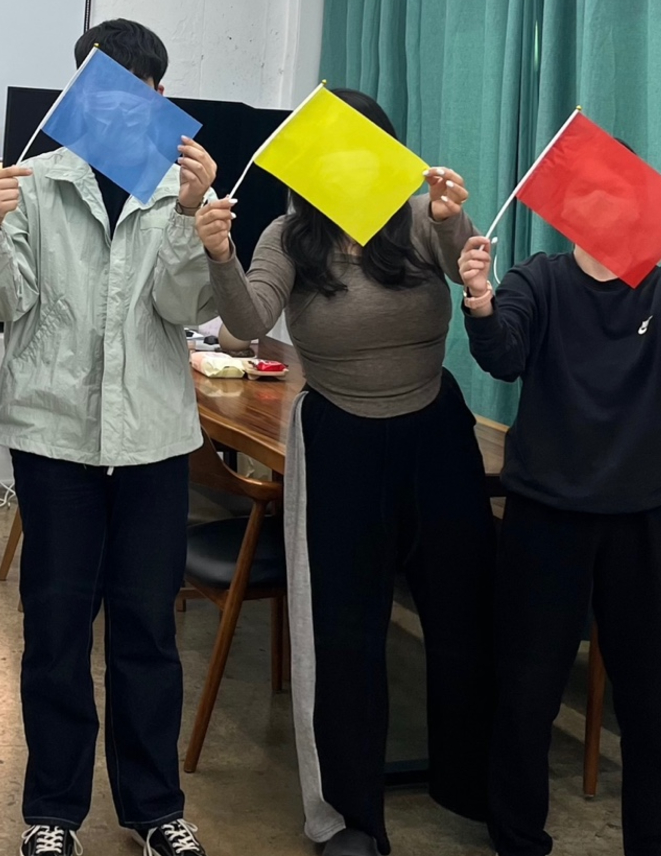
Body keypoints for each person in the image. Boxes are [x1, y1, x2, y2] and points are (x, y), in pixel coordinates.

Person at [194, 89, 496, 856]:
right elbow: (246, 323)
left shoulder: (415, 219)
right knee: (343, 634)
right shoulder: (289, 235)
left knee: (464, 612)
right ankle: (348, 818)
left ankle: (477, 785)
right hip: (339, 440)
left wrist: (449, 217)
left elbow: (463, 267)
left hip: (434, 430)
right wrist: (220, 257)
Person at [0, 19, 218, 856]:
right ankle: (53, 811)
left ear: (158, 96)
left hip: (151, 439)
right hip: (54, 437)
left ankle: (155, 808)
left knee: (148, 629)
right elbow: (0, 304)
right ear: (79, 90)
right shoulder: (33, 181)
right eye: (100, 85)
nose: (120, 103)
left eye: (138, 89)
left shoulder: (179, 187)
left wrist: (190, 217)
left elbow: (186, 307)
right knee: (56, 628)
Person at [458, 217, 661, 856]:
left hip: (644, 515)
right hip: (546, 514)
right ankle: (517, 839)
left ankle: (656, 844)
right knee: (527, 688)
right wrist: (481, 300)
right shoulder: (539, 279)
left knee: (651, 699)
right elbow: (503, 355)